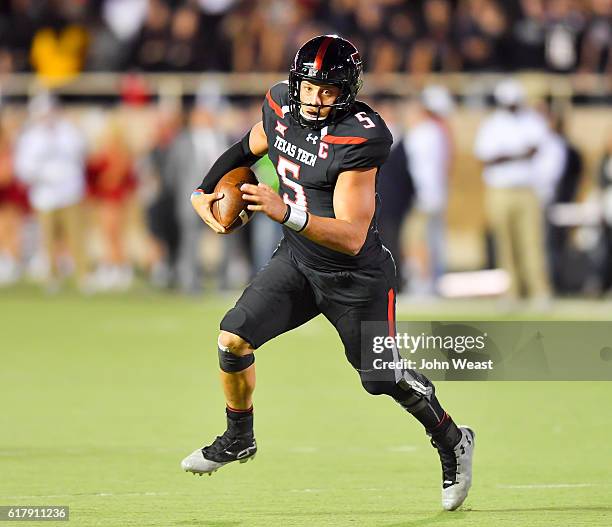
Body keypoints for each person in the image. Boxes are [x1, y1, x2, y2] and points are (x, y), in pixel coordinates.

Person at [182, 35, 475, 512]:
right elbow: (245, 149)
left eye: (329, 91)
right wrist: (203, 191)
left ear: (349, 90)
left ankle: (452, 439)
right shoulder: (281, 104)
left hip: (355, 278)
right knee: (232, 339)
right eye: (310, 88)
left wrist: (283, 212)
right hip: (297, 262)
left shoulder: (361, 136)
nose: (316, 100)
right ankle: (239, 437)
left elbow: (352, 235)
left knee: (380, 378)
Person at [474, 79, 552, 304]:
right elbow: (486, 158)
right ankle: (511, 292)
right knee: (505, 243)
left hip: (527, 189)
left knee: (531, 242)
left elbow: (536, 151)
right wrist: (518, 155)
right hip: (500, 190)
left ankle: (539, 291)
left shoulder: (532, 121)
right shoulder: (492, 124)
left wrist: (505, 156)